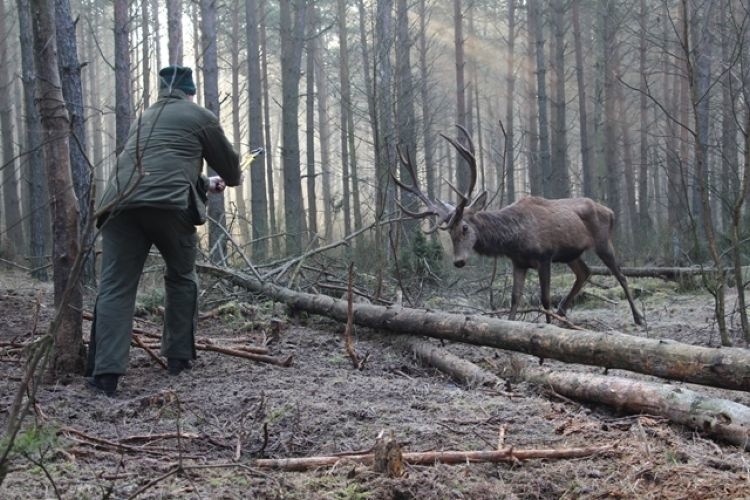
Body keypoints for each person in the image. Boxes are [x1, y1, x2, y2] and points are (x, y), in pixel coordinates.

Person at [86, 65, 241, 396]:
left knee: (114, 287)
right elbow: (232, 170)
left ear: (161, 91)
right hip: (170, 208)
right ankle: (179, 357)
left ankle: (105, 374)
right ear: (191, 92)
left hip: (118, 205)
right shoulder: (200, 116)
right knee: (182, 277)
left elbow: (152, 170)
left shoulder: (145, 119)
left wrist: (201, 182)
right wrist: (223, 176)